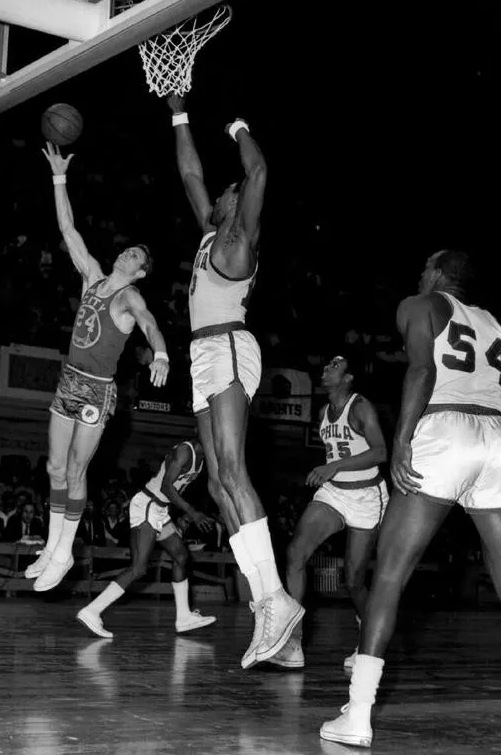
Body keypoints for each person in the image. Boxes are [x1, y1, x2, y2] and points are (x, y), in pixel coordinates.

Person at [321, 251, 501, 747]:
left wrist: (403, 440)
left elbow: (420, 371)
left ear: (437, 275)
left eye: (424, 267)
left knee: (389, 575)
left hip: (445, 427)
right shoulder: (496, 325)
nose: (418, 273)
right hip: (496, 437)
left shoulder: (419, 304)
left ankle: (358, 715)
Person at [167, 93, 303, 667]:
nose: (222, 193)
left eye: (228, 192)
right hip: (202, 355)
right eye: (224, 195)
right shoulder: (208, 234)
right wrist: (178, 112)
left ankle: (274, 599)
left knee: (231, 469)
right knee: (218, 486)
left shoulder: (238, 239)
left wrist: (238, 125)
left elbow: (258, 171)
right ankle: (283, 635)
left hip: (227, 343)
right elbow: (190, 170)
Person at [26, 142, 170, 592]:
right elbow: (67, 227)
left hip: (96, 390)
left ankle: (65, 552)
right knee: (52, 467)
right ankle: (52, 547)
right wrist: (58, 177)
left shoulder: (130, 297)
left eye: (135, 257)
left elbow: (148, 323)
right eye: (127, 250)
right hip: (69, 379)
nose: (126, 253)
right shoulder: (92, 275)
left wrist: (161, 354)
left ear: (141, 272)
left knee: (75, 470)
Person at [270, 356, 388, 670]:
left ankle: (368, 637)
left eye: (334, 366)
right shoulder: (323, 413)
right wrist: (331, 470)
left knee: (353, 581)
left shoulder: (361, 407)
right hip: (335, 493)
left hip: (366, 495)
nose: (326, 369)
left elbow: (380, 452)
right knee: (296, 552)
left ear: (348, 377)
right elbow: (336, 453)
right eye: (326, 366)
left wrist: (333, 465)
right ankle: (293, 642)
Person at [76, 439, 217, 638]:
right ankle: (92, 611)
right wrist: (192, 513)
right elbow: (167, 487)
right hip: (148, 504)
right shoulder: (186, 451)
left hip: (160, 509)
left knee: (181, 557)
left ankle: (184, 617)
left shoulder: (203, 460)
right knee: (139, 568)